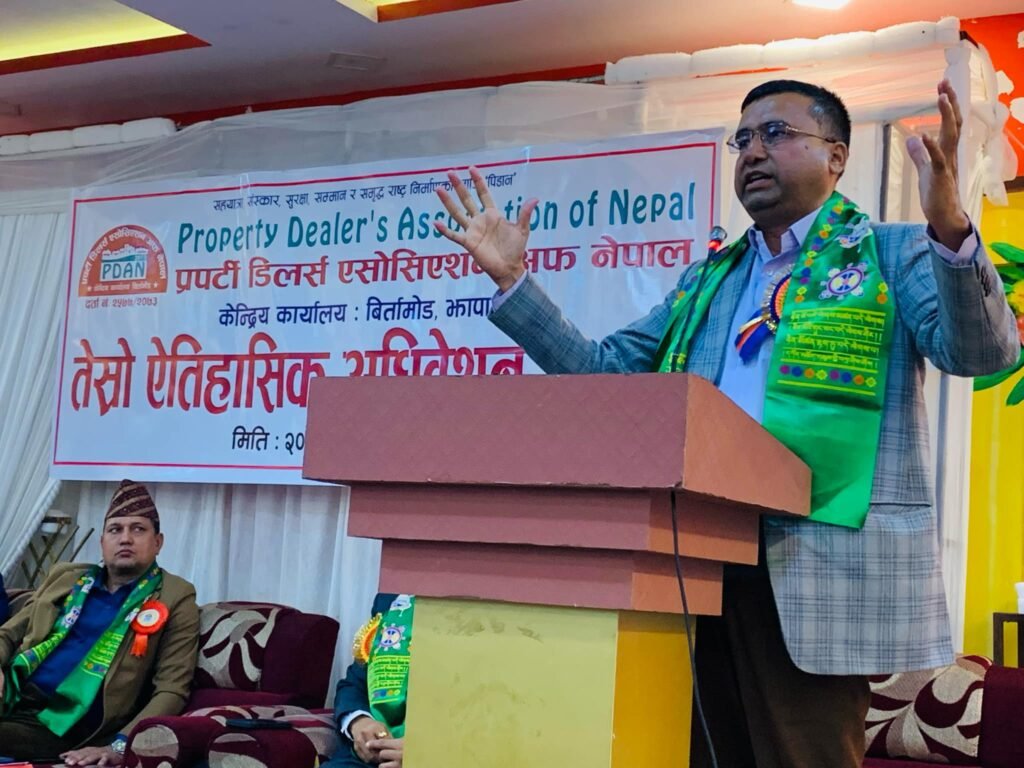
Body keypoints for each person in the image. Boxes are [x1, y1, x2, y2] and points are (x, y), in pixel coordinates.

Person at [433, 79, 1021, 768]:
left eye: (776, 133)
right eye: (743, 139)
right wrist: (513, 282)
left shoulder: (890, 253)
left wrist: (950, 230)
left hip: (816, 565)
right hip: (700, 557)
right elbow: (606, 374)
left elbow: (982, 353)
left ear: (836, 156)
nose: (753, 152)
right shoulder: (710, 279)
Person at [0, 480, 200, 765]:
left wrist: (119, 746)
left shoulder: (175, 596)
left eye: (138, 529)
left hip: (65, 722)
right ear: (102, 542)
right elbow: (8, 635)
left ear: (158, 542)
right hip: (13, 694)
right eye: (115, 529)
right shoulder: (67, 578)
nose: (125, 538)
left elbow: (172, 689)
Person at [325, 593, 412, 768]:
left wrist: (428, 752)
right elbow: (354, 684)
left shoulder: (467, 603)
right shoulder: (389, 600)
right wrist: (359, 722)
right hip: (365, 759)